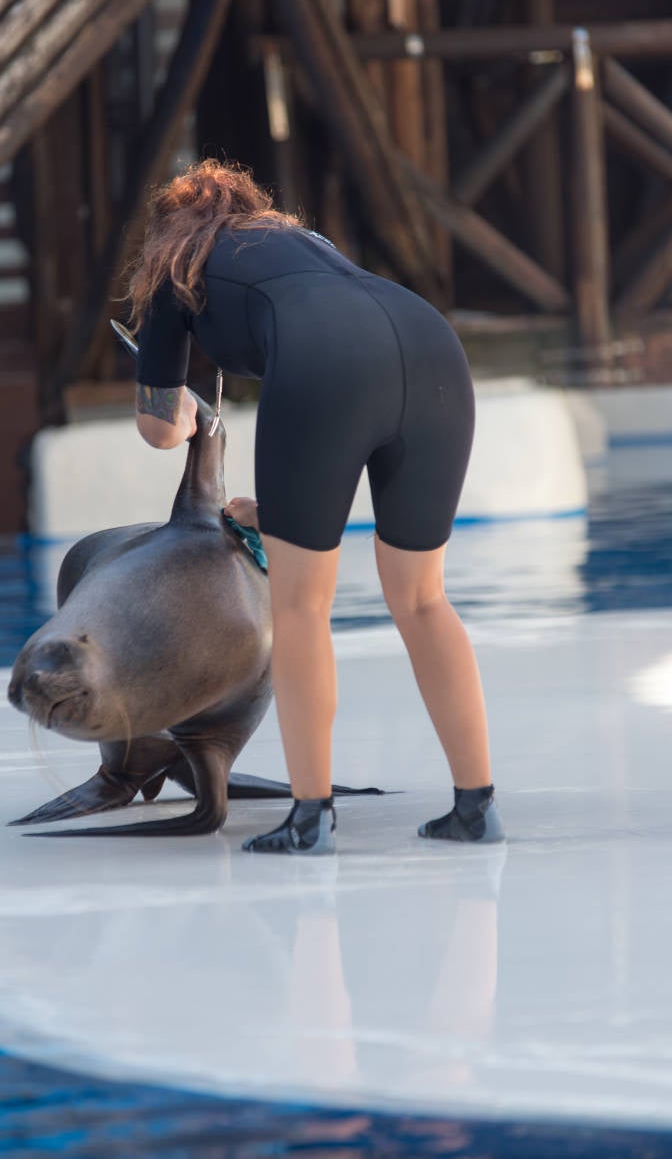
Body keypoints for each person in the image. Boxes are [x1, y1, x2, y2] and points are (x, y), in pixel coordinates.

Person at [126, 158, 504, 855]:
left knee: (301, 604)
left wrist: (178, 407)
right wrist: (274, 511)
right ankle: (476, 806)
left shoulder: (175, 267)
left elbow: (159, 430)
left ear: (168, 229)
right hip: (430, 345)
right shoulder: (305, 243)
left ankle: (310, 817)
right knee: (423, 598)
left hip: (325, 359)